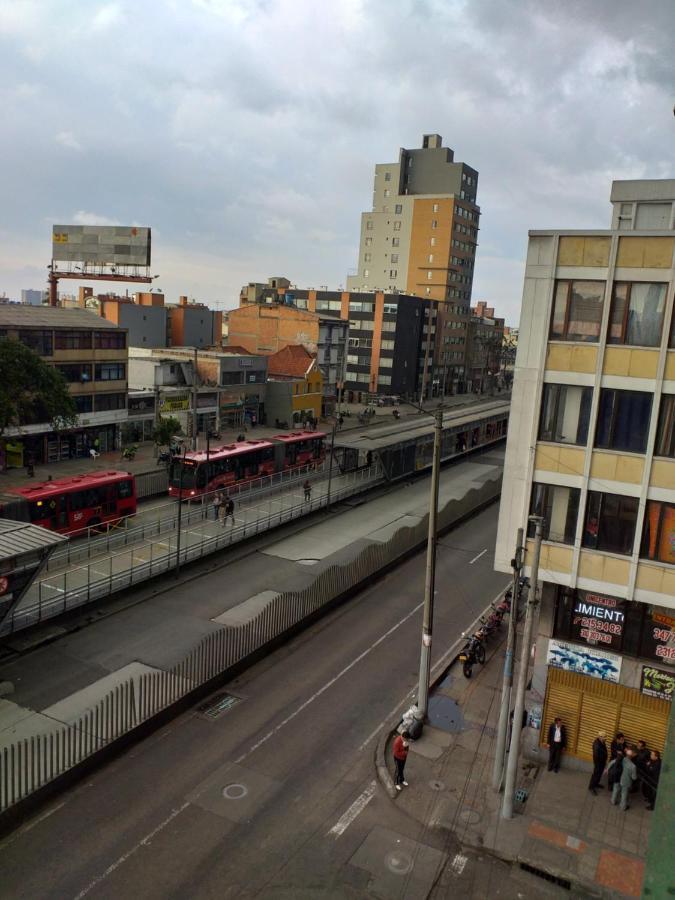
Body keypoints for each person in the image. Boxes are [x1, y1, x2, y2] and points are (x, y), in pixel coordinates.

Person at [611, 746, 637, 811]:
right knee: (624, 794)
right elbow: (634, 778)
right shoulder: (633, 766)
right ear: (632, 756)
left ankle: (613, 801)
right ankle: (623, 807)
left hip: (617, 777)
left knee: (616, 789)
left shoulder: (621, 759)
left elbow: (613, 762)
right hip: (626, 781)